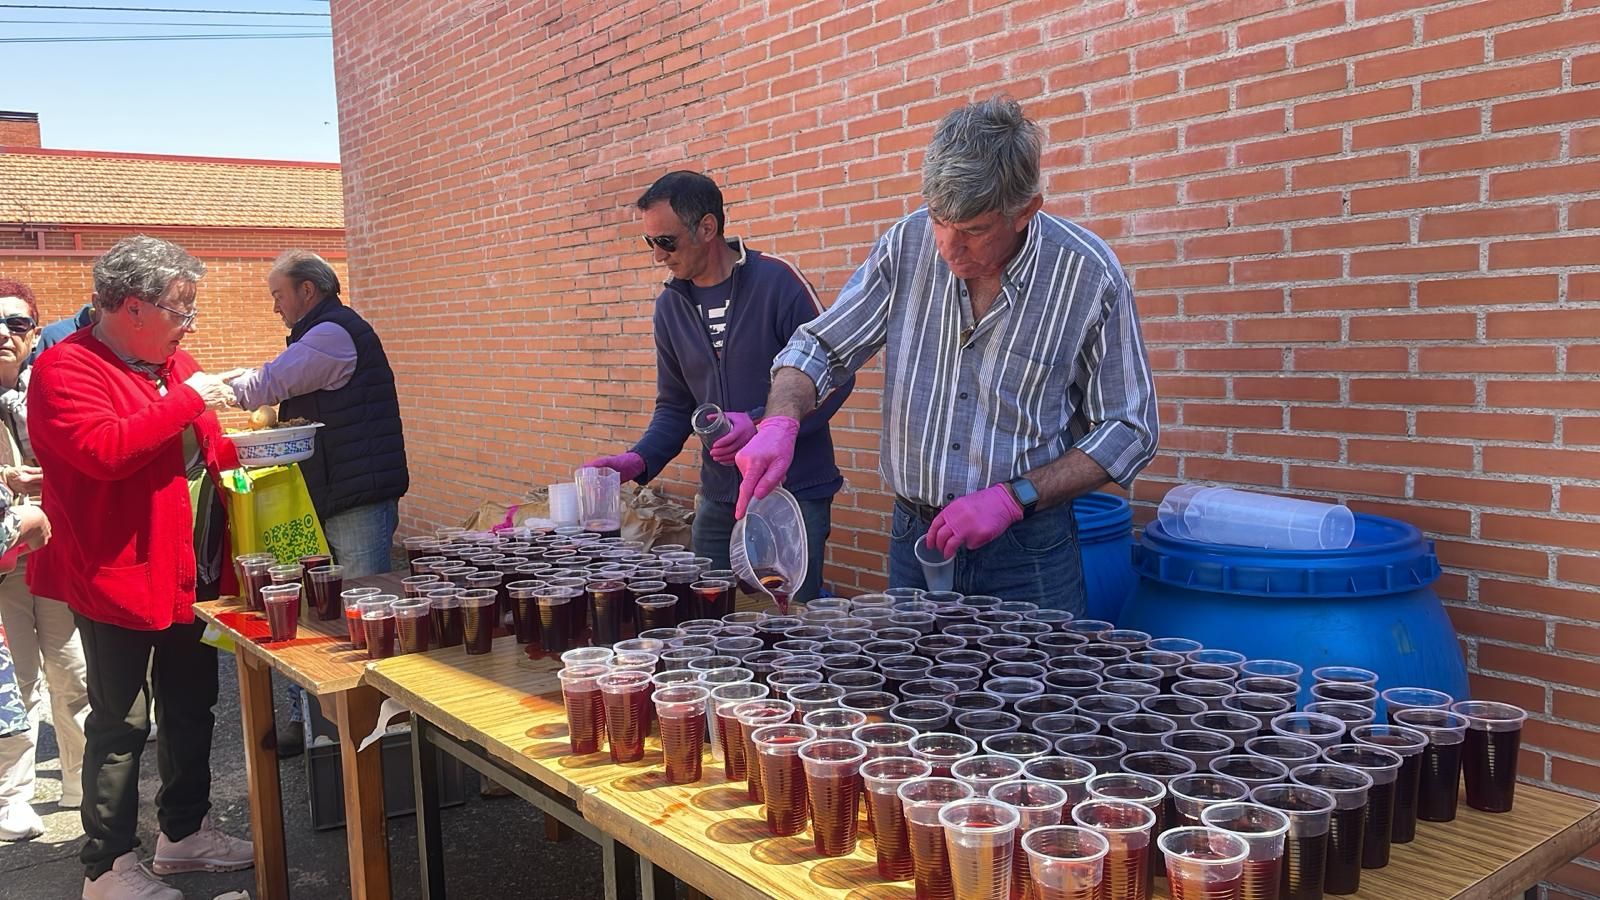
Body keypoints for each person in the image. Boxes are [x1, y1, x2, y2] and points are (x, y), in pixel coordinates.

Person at [737, 98, 1159, 614]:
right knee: (912, 690)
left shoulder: (1088, 276)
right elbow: (819, 348)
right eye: (940, 219)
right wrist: (780, 422)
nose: (948, 248)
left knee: (1035, 692)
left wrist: (1014, 497)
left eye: (975, 230)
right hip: (916, 536)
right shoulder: (908, 242)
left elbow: (1129, 427)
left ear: (1026, 210)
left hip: (1028, 549)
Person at [30, 235, 253, 900]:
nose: (190, 324)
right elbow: (105, 449)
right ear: (133, 308)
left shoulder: (172, 362)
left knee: (193, 704)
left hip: (190, 571)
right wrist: (192, 400)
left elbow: (206, 448)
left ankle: (183, 834)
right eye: (182, 310)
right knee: (121, 720)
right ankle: (107, 867)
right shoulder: (67, 369)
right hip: (115, 574)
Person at [583, 171, 852, 601]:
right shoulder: (670, 306)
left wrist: (762, 423)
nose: (657, 256)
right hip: (718, 497)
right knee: (708, 621)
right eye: (648, 243)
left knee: (789, 629)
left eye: (666, 242)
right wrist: (638, 460)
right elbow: (675, 406)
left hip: (791, 494)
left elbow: (835, 375)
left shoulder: (778, 282)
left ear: (707, 228)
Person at [220, 249, 408, 753]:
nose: (275, 307)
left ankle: (375, 733)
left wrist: (211, 389)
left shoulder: (331, 333)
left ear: (308, 290)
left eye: (278, 295)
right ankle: (318, 725)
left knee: (363, 612)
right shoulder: (323, 331)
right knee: (318, 609)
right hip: (335, 492)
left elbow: (270, 383)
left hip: (354, 498)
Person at [0, 278, 89, 842]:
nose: (4, 335)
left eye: (16, 324)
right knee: (18, 682)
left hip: (56, 554)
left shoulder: (46, 392)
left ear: (34, 334)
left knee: (72, 671)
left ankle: (83, 783)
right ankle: (13, 797)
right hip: (5, 560)